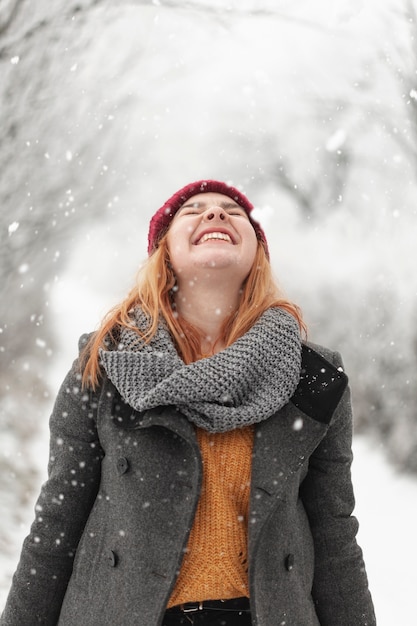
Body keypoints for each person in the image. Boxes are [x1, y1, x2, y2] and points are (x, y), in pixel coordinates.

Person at [0, 180, 376, 626]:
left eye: (233, 212)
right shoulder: (109, 363)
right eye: (193, 210)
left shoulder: (310, 374)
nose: (215, 215)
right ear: (164, 250)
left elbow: (334, 531)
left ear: (257, 253)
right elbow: (57, 523)